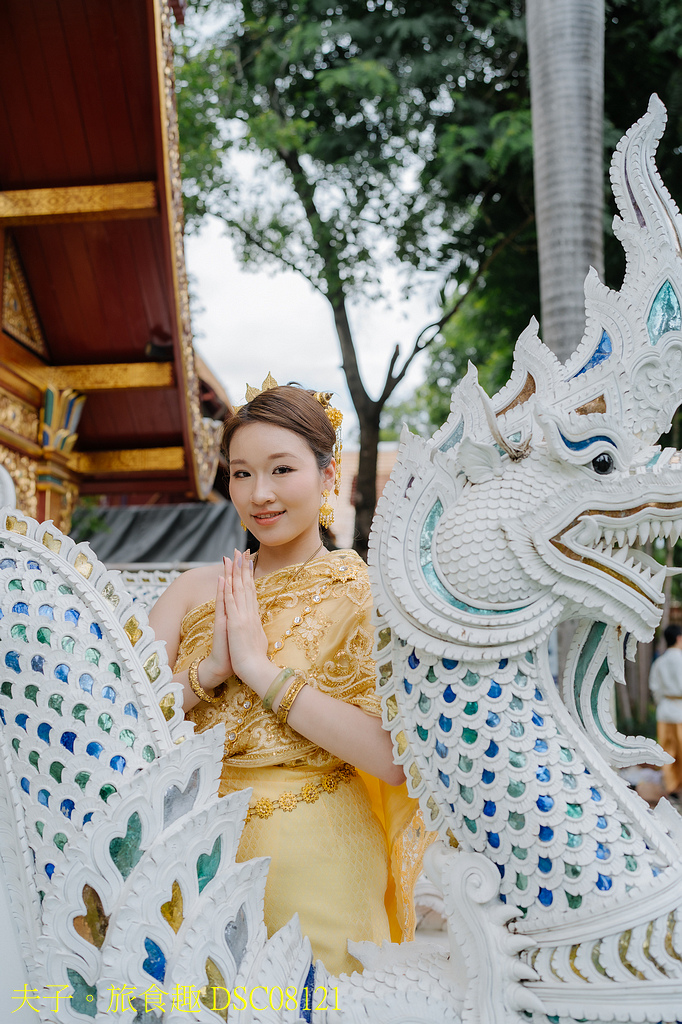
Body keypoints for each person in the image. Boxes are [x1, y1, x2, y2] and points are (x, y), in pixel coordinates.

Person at [149, 378, 429, 975]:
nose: (260, 493)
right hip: (185, 860)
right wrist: (211, 670)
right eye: (242, 473)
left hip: (315, 857)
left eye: (281, 469)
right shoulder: (195, 591)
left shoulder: (367, 596)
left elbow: (394, 759)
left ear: (329, 477)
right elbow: (122, 720)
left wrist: (262, 672)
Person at [649, 623, 682, 805]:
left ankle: (672, 790)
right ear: (678, 638)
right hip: (680, 709)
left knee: (668, 751)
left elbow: (654, 687)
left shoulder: (659, 662)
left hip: (665, 710)